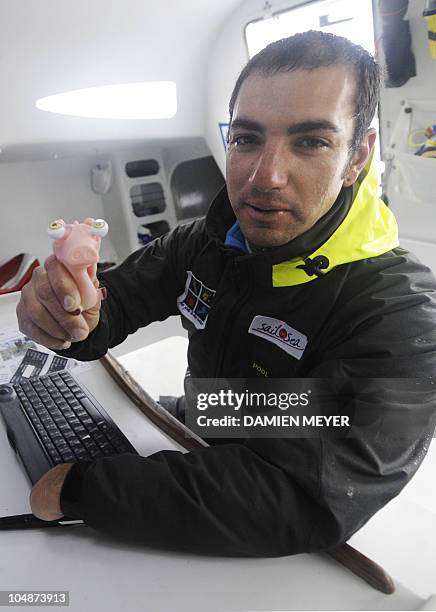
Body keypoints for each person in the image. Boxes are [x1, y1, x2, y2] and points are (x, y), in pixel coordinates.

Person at [17, 31, 436, 556]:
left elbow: (301, 496)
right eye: (247, 139)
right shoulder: (209, 240)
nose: (266, 176)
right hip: (216, 420)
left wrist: (85, 490)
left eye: (311, 141)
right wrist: (68, 310)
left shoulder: (404, 317)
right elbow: (113, 302)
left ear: (358, 155)